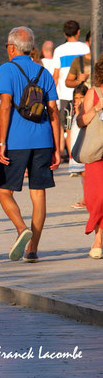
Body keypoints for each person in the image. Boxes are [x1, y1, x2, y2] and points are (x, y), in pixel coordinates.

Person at [0, 26, 60, 263]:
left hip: (16, 140)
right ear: (31, 48)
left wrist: (2, 142)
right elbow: (53, 110)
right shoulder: (43, 72)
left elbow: (5, 106)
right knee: (38, 192)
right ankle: (32, 249)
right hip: (43, 140)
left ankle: (22, 228)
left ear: (11, 47)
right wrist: (57, 147)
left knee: (4, 191)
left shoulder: (6, 69)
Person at [76, 59, 103, 259]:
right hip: (96, 151)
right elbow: (80, 120)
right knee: (96, 198)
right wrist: (97, 108)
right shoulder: (94, 93)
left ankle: (98, 240)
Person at [52, 20, 90, 159]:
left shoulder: (59, 50)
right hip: (84, 92)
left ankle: (72, 157)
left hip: (65, 94)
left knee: (68, 127)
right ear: (78, 32)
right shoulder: (85, 48)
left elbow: (55, 76)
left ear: (64, 33)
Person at [69, 84, 88, 209]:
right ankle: (86, 197)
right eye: (76, 98)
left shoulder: (86, 111)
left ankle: (86, 198)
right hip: (76, 149)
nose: (78, 100)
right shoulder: (72, 110)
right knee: (82, 175)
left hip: (86, 148)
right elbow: (70, 131)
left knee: (86, 175)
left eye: (82, 97)